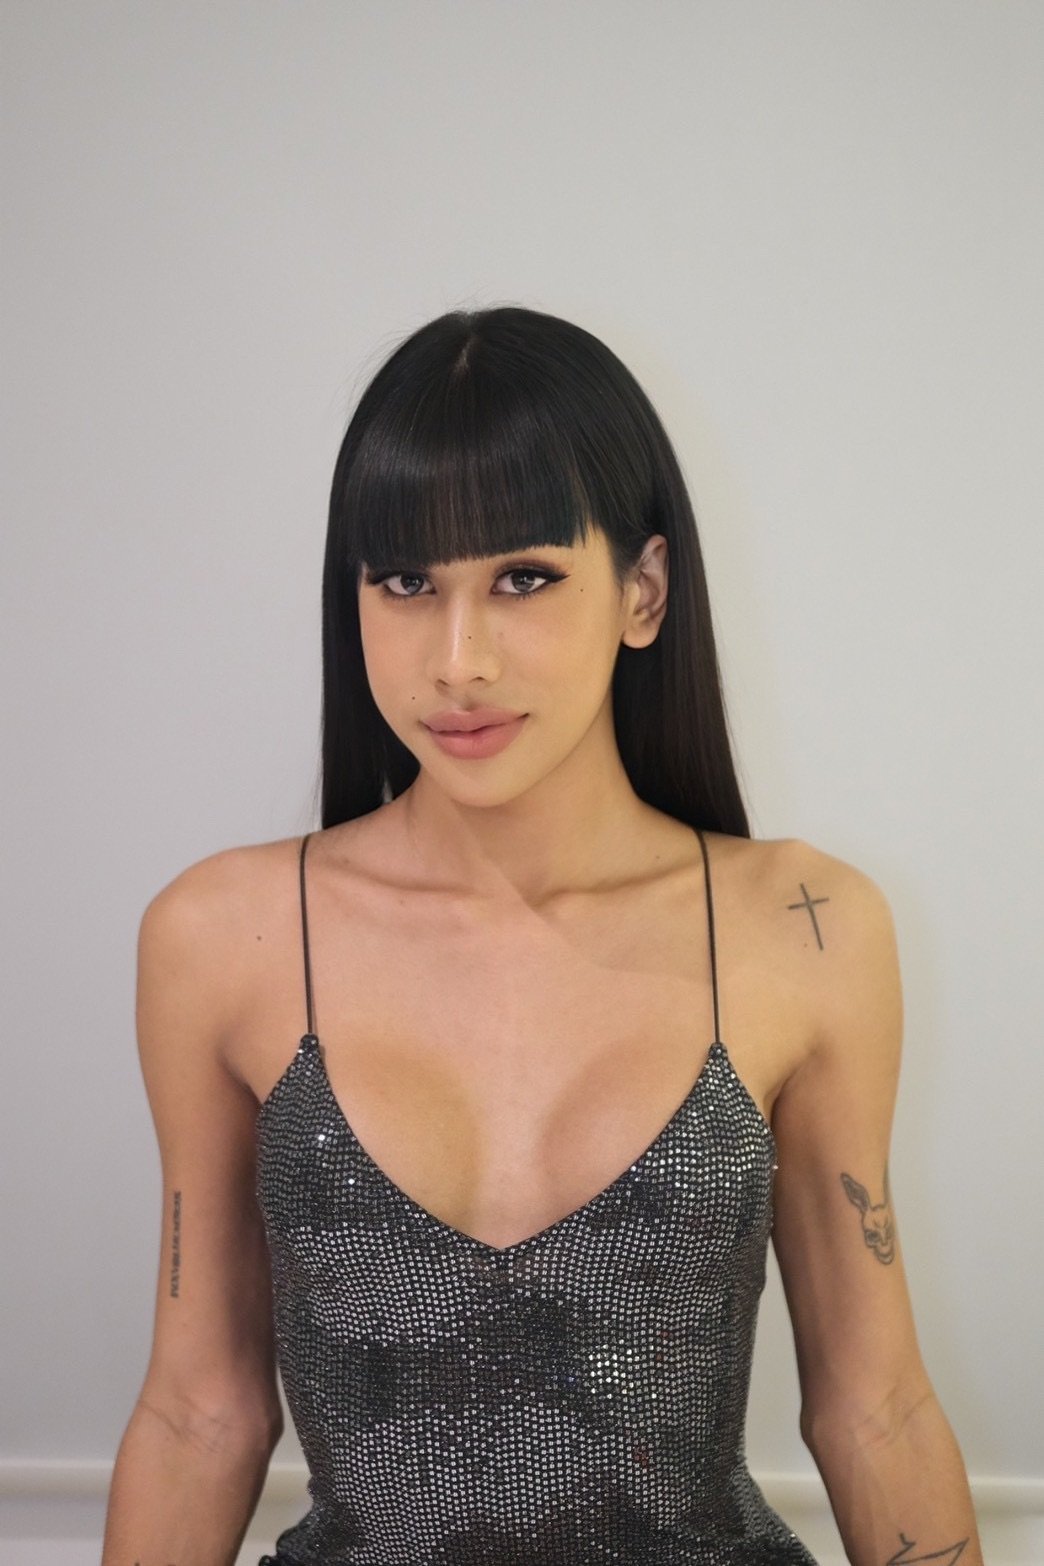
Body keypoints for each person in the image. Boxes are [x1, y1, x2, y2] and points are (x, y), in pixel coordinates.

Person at [102, 306, 983, 1565]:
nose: (458, 661)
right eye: (407, 583)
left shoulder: (807, 929)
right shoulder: (220, 938)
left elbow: (876, 1406)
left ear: (643, 591)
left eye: (523, 578)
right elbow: (201, 1414)